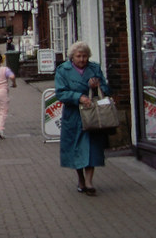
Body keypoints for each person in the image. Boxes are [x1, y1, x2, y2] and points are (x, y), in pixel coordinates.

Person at [54, 41, 111, 195]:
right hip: (74, 116)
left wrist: (96, 87)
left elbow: (106, 88)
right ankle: (80, 179)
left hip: (93, 115)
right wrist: (78, 97)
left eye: (85, 56)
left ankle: (89, 182)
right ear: (72, 57)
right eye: (78, 56)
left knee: (91, 148)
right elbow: (60, 93)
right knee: (76, 149)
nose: (82, 59)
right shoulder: (63, 70)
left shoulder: (94, 68)